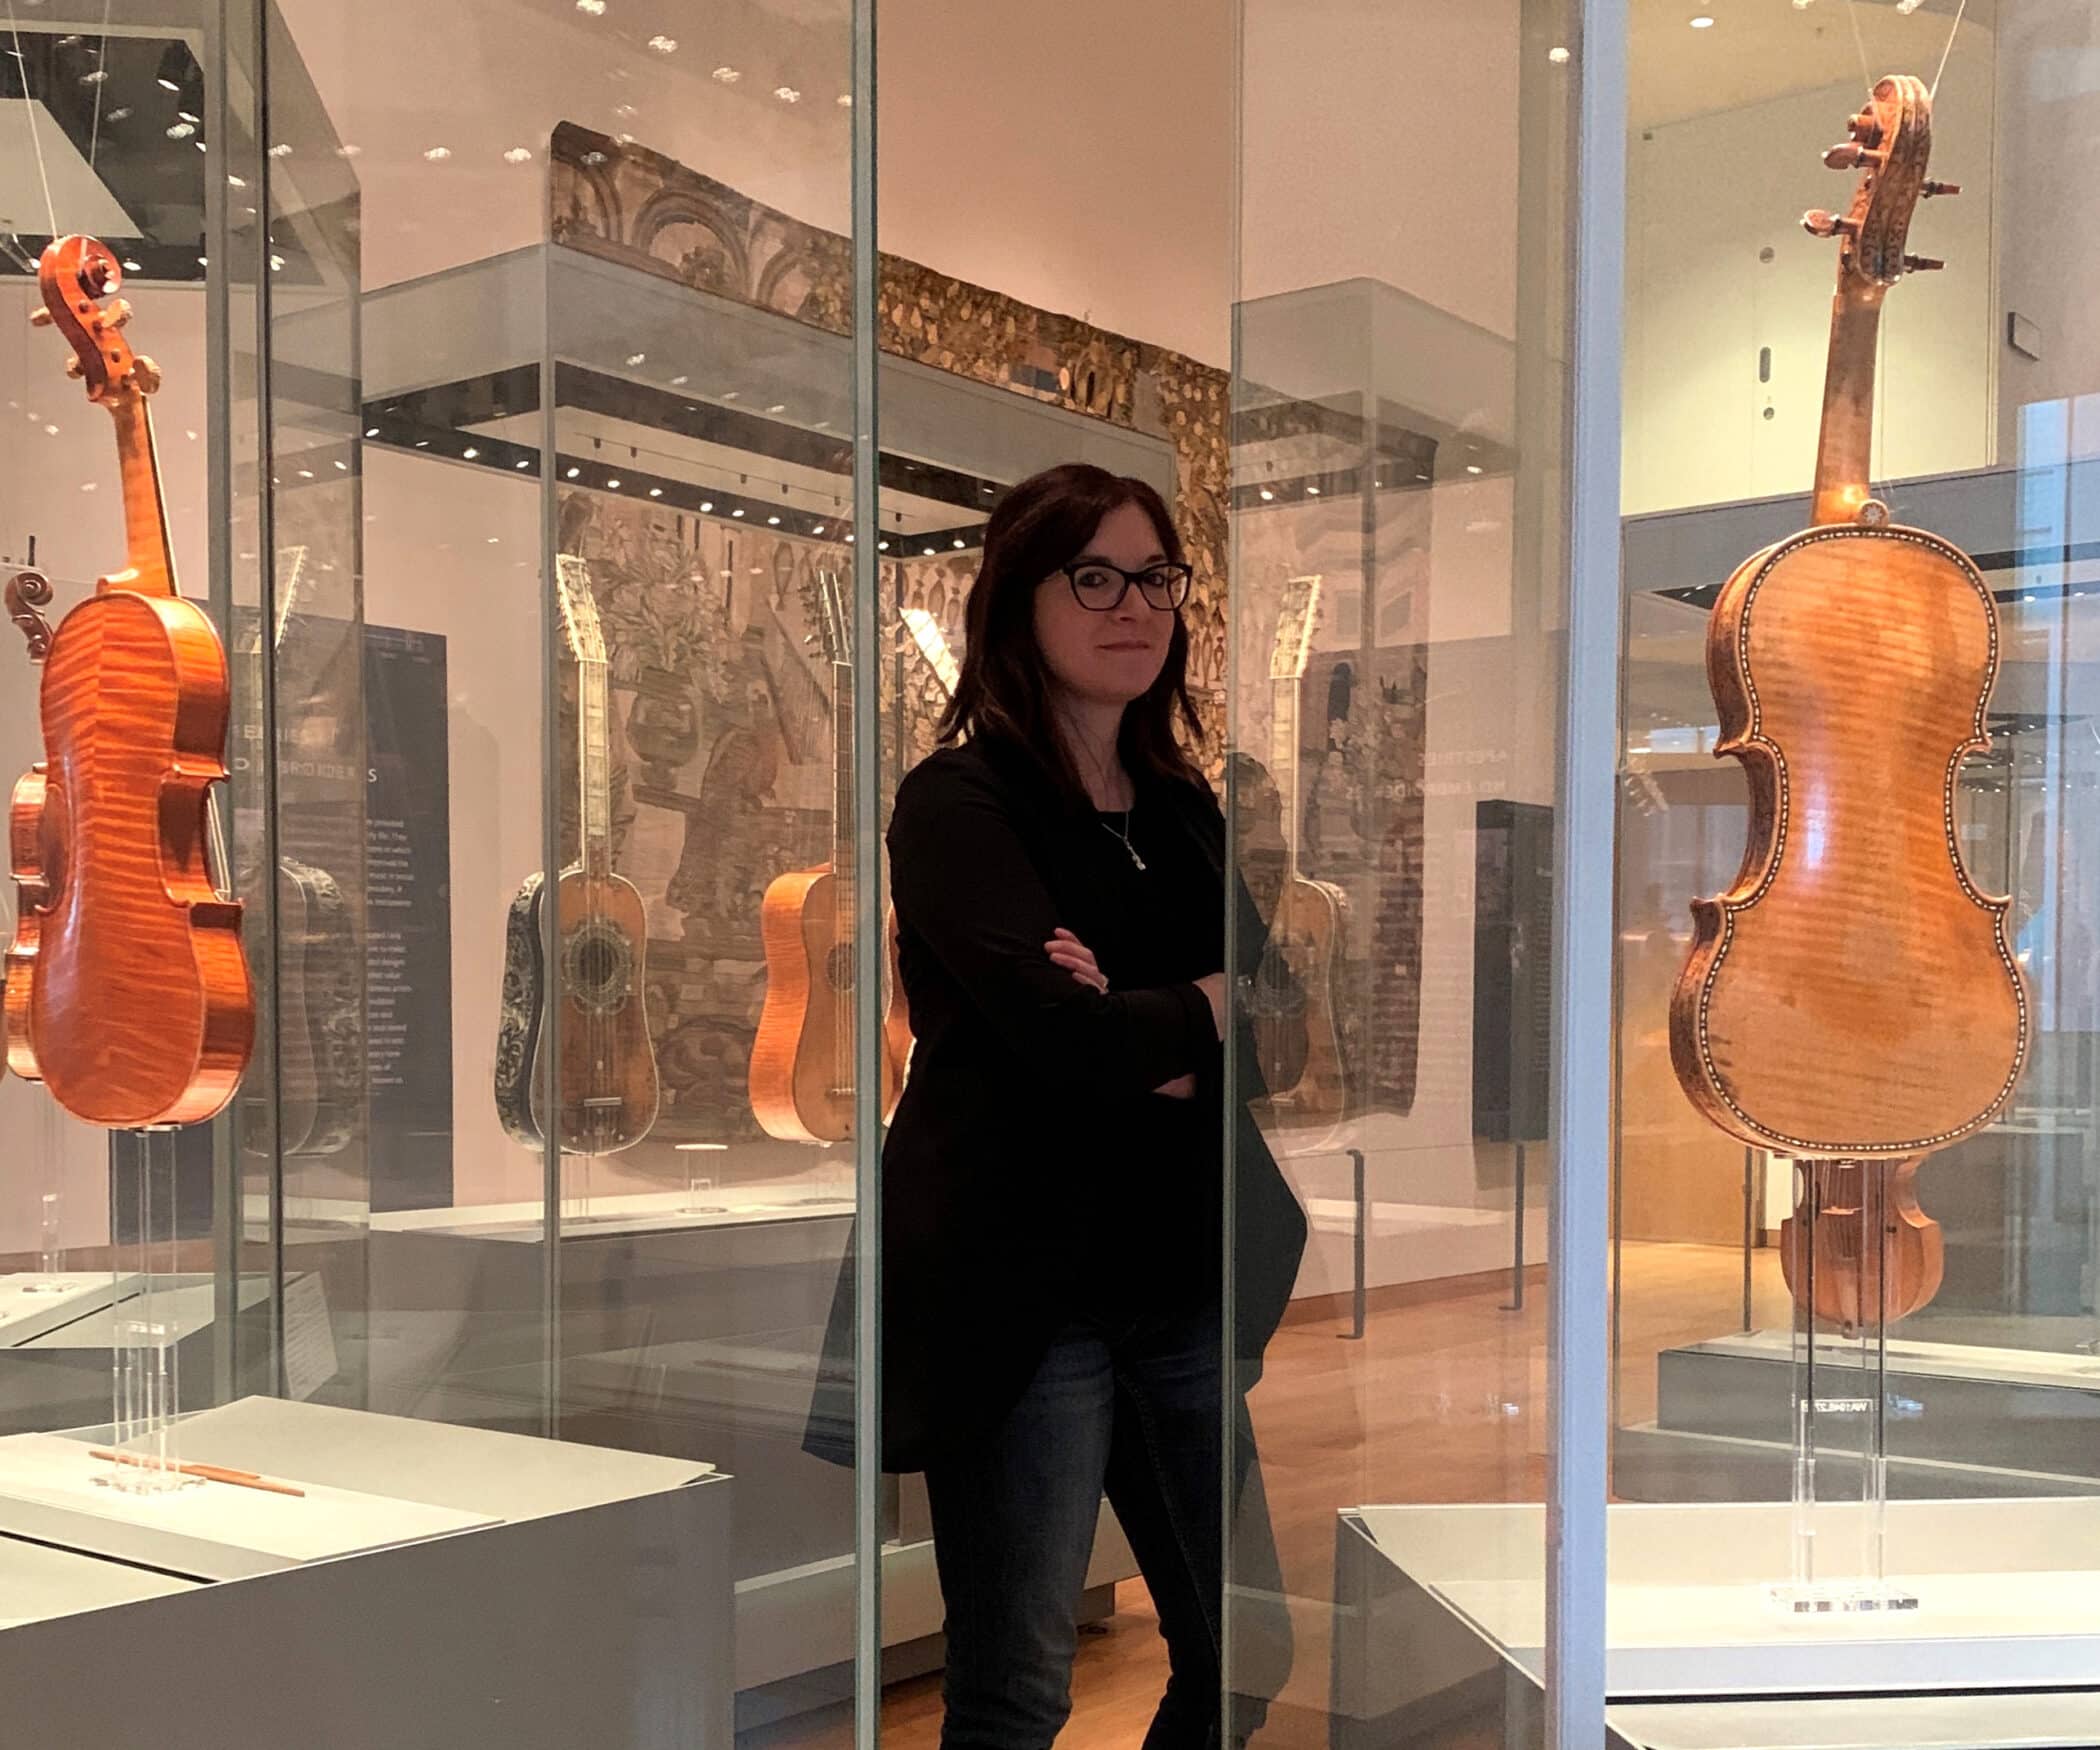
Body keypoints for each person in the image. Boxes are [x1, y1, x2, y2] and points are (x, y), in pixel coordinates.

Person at [808, 462, 1306, 1749]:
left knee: (1244, 1646)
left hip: (1177, 1276)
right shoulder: (959, 802)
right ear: (1019, 601)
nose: (1132, 604)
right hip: (1025, 1303)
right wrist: (1192, 1005)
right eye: (1094, 575)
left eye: (1155, 576)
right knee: (1019, 1681)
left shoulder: (1188, 813)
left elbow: (1286, 1029)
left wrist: (1126, 1015)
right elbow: (1065, 1041)